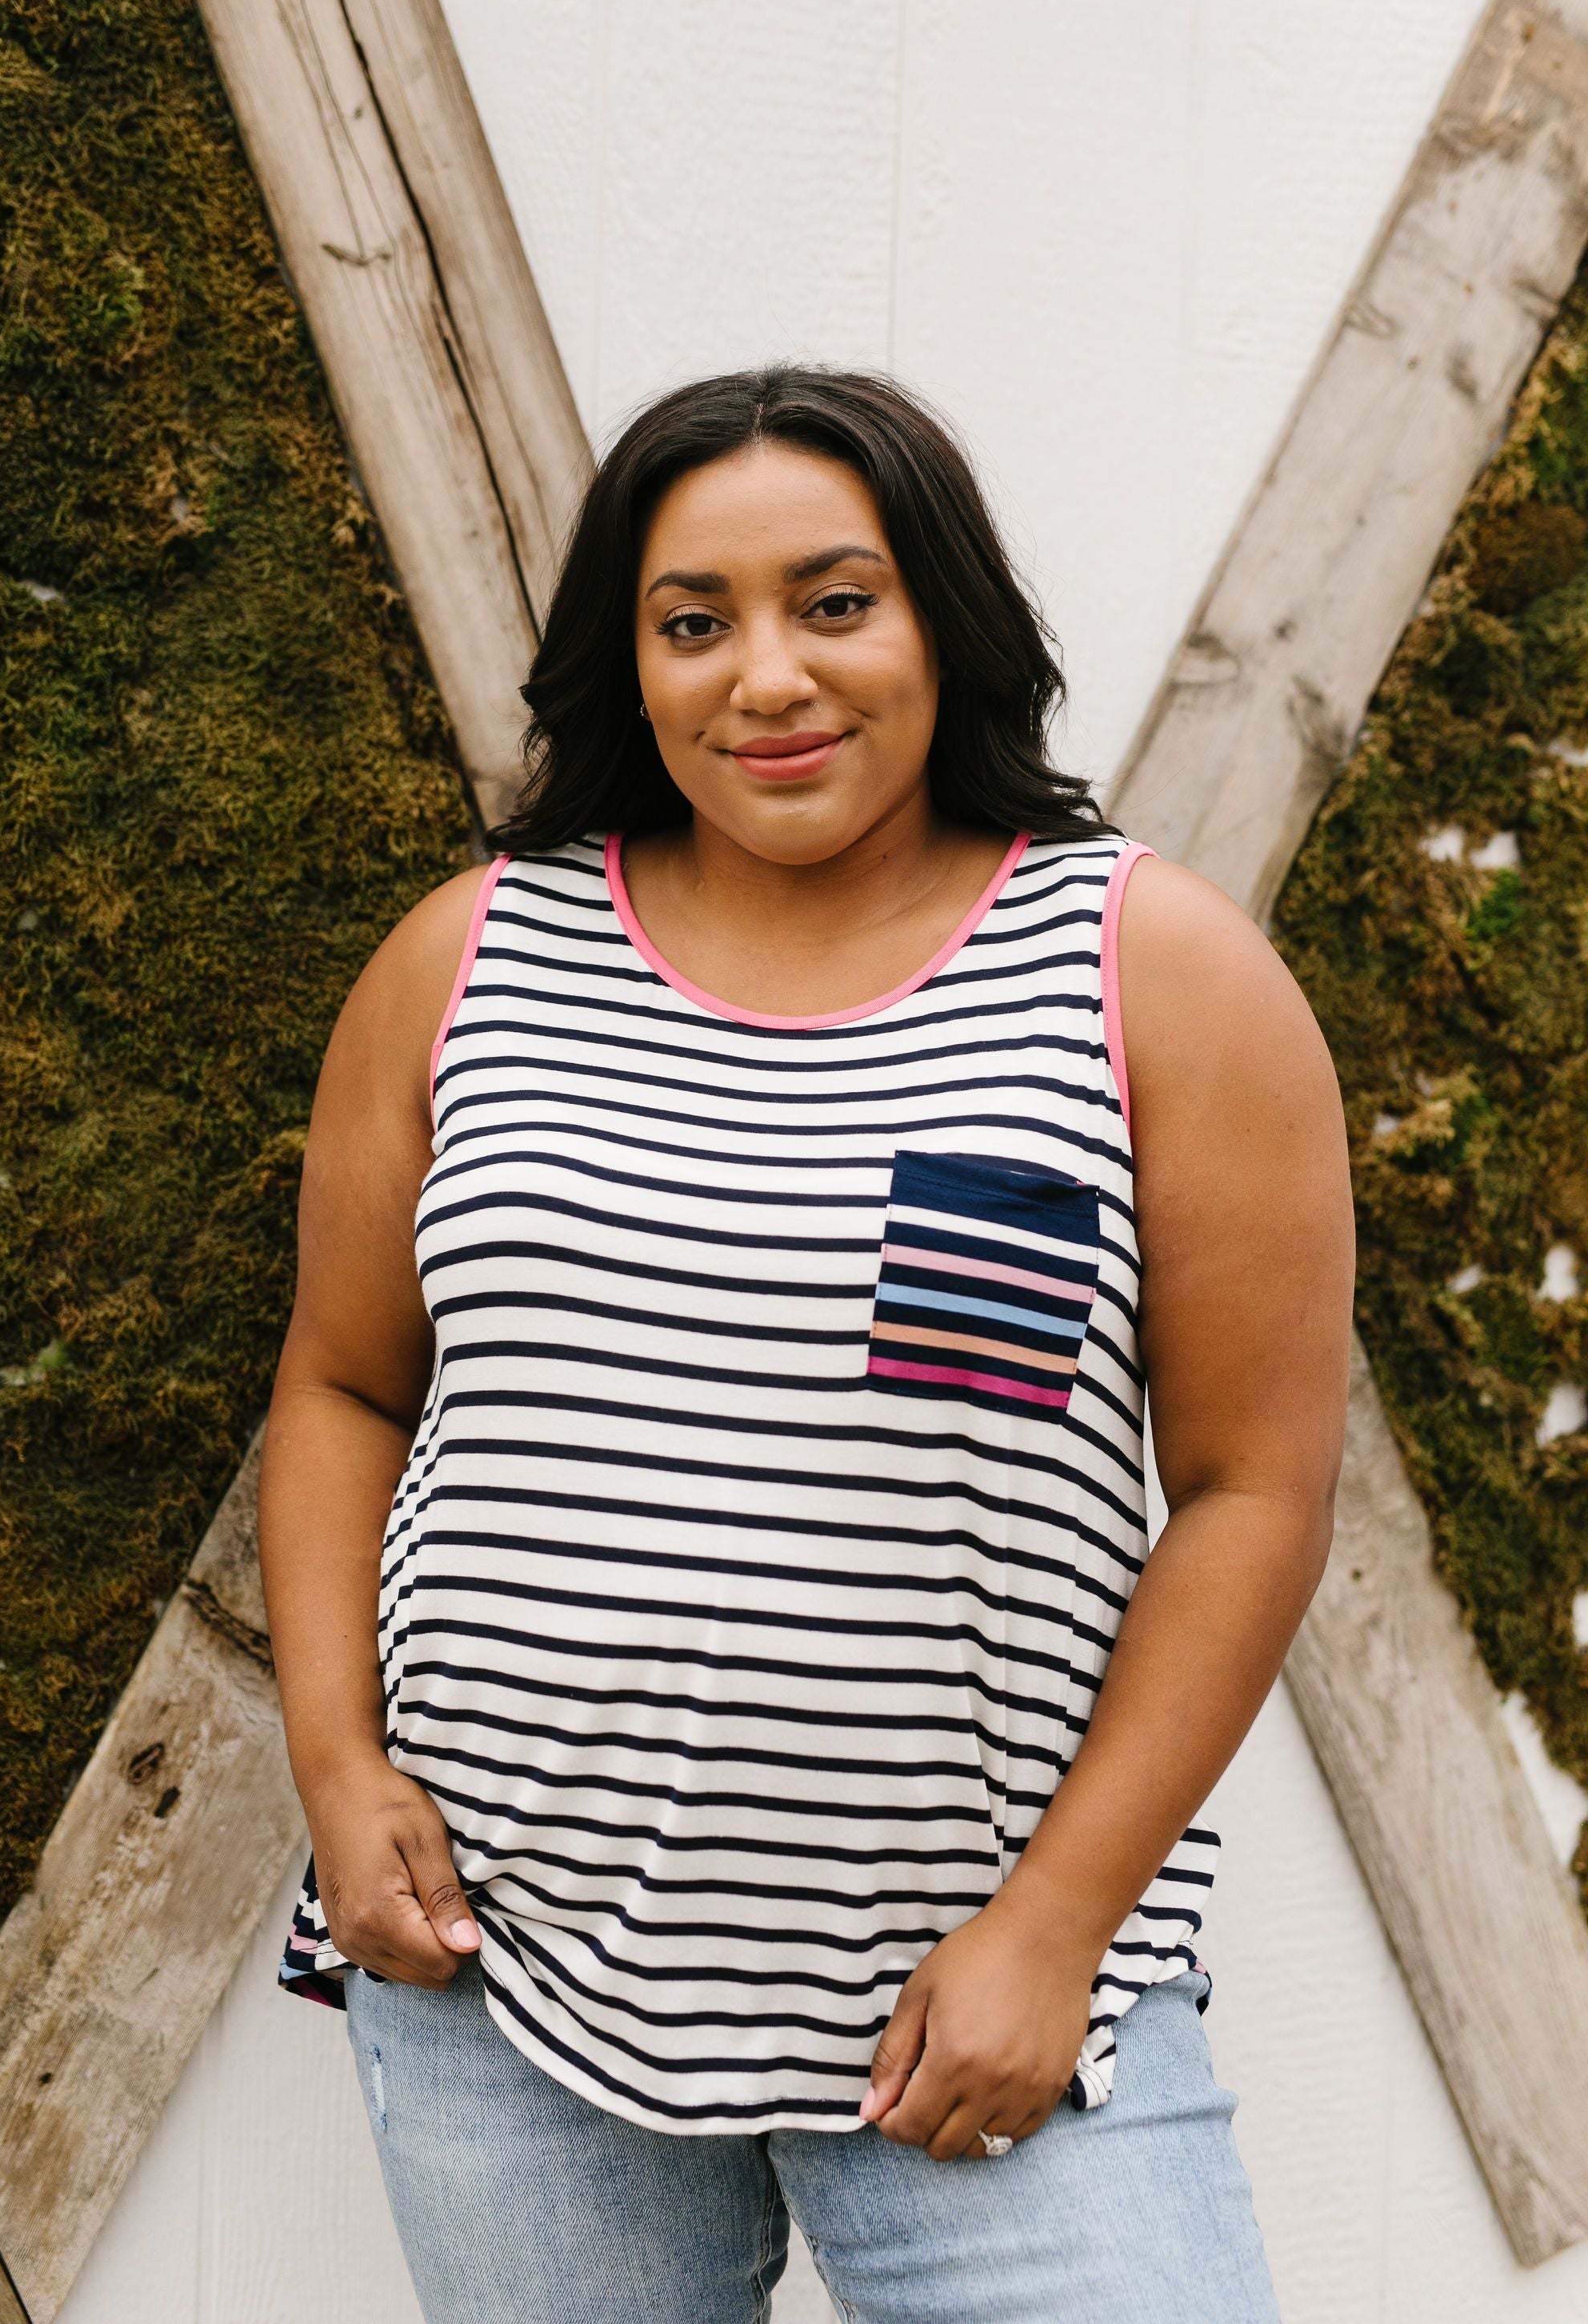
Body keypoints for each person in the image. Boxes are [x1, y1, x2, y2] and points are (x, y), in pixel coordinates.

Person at [261, 365, 1353, 2323]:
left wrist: (1053, 1927)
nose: (765, 676)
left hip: (978, 2007)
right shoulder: (466, 959)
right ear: (632, 658)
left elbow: (1251, 1492)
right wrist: (337, 1766)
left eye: (834, 603)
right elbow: (345, 1386)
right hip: (499, 1977)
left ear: (947, 620)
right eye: (695, 623)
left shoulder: (1152, 975)